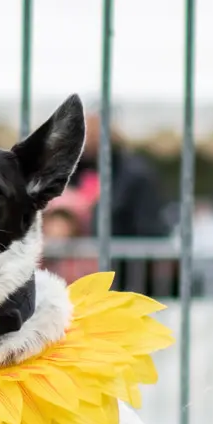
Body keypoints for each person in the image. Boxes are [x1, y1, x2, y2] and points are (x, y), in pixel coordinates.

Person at [61, 109, 173, 295]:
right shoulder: (77, 170)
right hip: (91, 273)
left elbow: (149, 229)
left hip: (127, 276)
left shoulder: (136, 174)